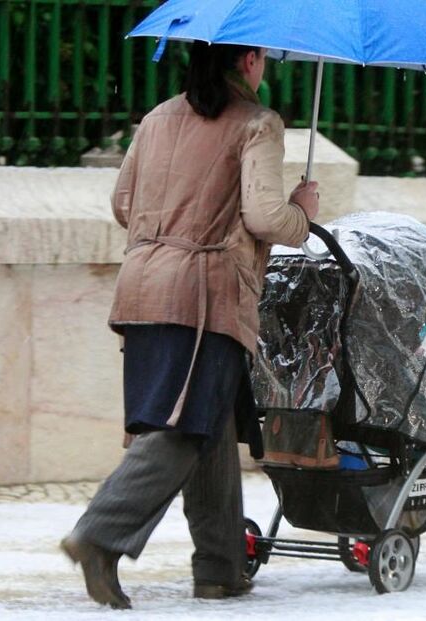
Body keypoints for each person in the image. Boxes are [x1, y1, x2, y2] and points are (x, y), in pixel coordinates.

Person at [60, 41, 319, 610]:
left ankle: (220, 567)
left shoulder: (157, 118)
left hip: (144, 284)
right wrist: (303, 211)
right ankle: (99, 534)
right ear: (250, 60)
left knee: (213, 423)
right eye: (264, 59)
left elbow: (123, 203)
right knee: (181, 427)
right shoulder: (258, 123)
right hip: (204, 294)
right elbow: (264, 217)